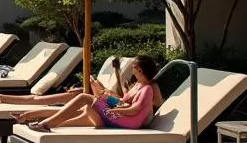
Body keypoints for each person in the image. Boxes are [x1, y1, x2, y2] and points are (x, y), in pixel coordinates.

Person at [19, 55, 161, 132]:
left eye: (134, 68)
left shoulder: (148, 88)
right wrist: (109, 97)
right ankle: (44, 123)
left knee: (84, 98)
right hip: (122, 117)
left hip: (129, 122)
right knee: (88, 105)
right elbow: (125, 101)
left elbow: (135, 109)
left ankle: (45, 124)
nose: (132, 71)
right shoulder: (137, 85)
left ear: (141, 71)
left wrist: (115, 109)